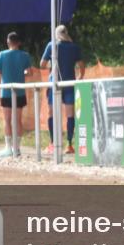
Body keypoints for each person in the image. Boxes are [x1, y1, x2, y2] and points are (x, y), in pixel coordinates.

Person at [41, 24, 85, 155]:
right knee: (70, 114)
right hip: (70, 83)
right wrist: (80, 76)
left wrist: (51, 63)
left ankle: (53, 143)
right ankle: (69, 144)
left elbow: (42, 64)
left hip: (55, 83)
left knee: (51, 113)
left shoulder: (51, 45)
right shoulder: (74, 47)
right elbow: (82, 65)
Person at [0, 32, 32, 157]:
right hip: (20, 91)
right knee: (18, 120)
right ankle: (17, 148)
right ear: (19, 42)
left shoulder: (2, 55)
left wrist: (5, 74)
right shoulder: (25, 55)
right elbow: (29, 72)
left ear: (8, 42)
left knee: (7, 120)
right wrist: (21, 74)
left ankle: (8, 147)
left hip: (6, 91)